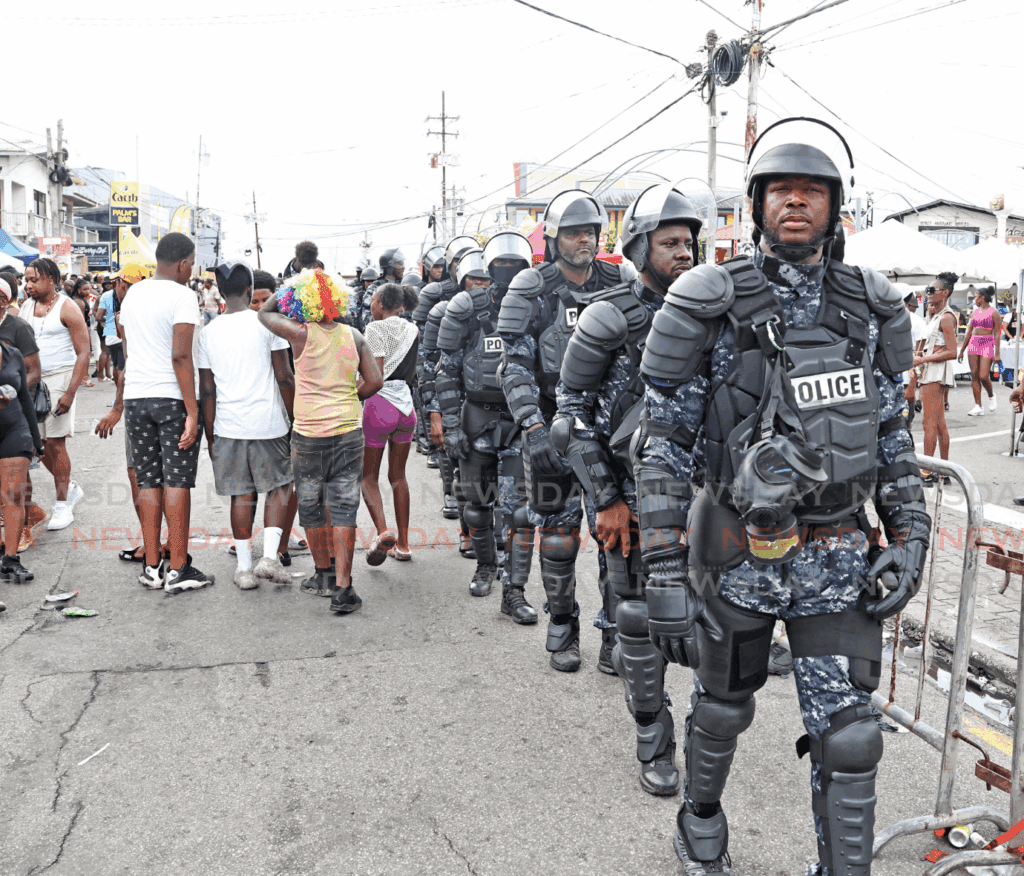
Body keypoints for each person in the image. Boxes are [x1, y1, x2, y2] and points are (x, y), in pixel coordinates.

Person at [634, 119, 929, 873]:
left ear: (836, 208)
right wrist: (662, 565)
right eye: (782, 193)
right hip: (735, 551)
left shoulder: (871, 306)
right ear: (758, 204)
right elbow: (663, 440)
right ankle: (700, 819)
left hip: (836, 556)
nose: (796, 205)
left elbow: (892, 431)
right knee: (724, 708)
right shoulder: (709, 298)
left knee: (852, 737)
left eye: (812, 194)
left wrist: (910, 536)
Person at [555, 184, 702, 796]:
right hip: (631, 500)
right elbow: (571, 414)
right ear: (640, 245)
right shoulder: (611, 315)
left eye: (689, 243)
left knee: (713, 622)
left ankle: (706, 740)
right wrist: (605, 500)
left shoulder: (712, 313)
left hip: (703, 502)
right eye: (669, 243)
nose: (683, 253)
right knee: (637, 621)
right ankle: (653, 740)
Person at [498, 189, 636, 673]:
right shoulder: (530, 287)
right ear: (554, 236)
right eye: (576, 232)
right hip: (550, 428)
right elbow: (512, 368)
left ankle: (616, 637)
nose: (585, 239)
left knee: (616, 535)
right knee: (557, 538)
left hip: (607, 434)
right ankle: (563, 627)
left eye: (592, 231)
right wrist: (533, 427)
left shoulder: (623, 279)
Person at [258, 268, 382, 613]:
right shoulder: (354, 336)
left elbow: (264, 313)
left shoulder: (299, 334)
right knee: (343, 508)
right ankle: (344, 589)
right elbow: (374, 381)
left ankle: (324, 575)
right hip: (347, 432)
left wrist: (289, 286)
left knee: (311, 507)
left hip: (309, 435)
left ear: (302, 301)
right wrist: (348, 399)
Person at [436, 234, 538, 618]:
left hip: (518, 421)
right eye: (502, 267)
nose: (509, 275)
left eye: (517, 268)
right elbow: (445, 371)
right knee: (477, 508)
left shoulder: (537, 307)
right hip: (476, 418)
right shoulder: (467, 308)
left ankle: (514, 592)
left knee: (521, 513)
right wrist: (450, 425)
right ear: (489, 271)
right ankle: (485, 565)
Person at [116, 233, 213, 593]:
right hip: (171, 399)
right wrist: (192, 411)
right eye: (191, 263)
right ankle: (178, 569)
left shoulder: (134, 293)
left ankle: (152, 565)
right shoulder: (183, 296)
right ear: (184, 263)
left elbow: (128, 346)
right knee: (177, 482)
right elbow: (181, 355)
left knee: (148, 481)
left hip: (137, 398)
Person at [198, 261, 296, 590]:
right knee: (280, 487)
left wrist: (210, 434)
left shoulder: (208, 332)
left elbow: (207, 389)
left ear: (221, 293)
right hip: (269, 423)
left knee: (241, 496)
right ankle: (269, 557)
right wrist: (296, 419)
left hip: (227, 426)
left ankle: (243, 570)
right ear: (249, 291)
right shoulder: (269, 325)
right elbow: (285, 377)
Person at [23, 258, 90, 532]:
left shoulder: (68, 308)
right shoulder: (27, 306)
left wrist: (70, 393)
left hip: (60, 378)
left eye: (33, 280)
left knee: (56, 443)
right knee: (38, 448)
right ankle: (71, 486)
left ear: (51, 278)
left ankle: (63, 504)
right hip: (30, 382)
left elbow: (84, 352)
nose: (28, 285)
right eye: (26, 280)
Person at [360, 283, 420, 563]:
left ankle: (384, 531)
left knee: (368, 477)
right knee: (398, 477)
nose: (371, 305)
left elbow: (377, 375)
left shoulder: (375, 328)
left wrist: (350, 394)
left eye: (373, 300)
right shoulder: (413, 328)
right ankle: (404, 546)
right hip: (406, 408)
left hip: (380, 405)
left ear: (383, 304)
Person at [0, 335, 44, 583]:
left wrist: (36, 439)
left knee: (13, 495)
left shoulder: (12, 354)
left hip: (14, 429)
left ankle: (10, 558)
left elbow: (25, 397)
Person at [917, 274, 959, 483]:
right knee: (939, 424)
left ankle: (926, 472)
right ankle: (944, 471)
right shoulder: (936, 314)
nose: (928, 293)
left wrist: (924, 359)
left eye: (932, 290)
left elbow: (953, 352)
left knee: (929, 422)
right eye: (928, 289)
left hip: (936, 371)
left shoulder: (946, 317)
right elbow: (929, 342)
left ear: (945, 292)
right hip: (931, 370)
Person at [959, 286, 1001, 416]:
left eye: (976, 296)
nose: (975, 299)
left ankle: (991, 395)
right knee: (975, 375)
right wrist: (962, 350)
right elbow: (969, 332)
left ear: (982, 297)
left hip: (987, 342)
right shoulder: (975, 312)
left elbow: (997, 334)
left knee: (983, 376)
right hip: (973, 343)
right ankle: (978, 406)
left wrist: (997, 352)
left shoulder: (994, 312)